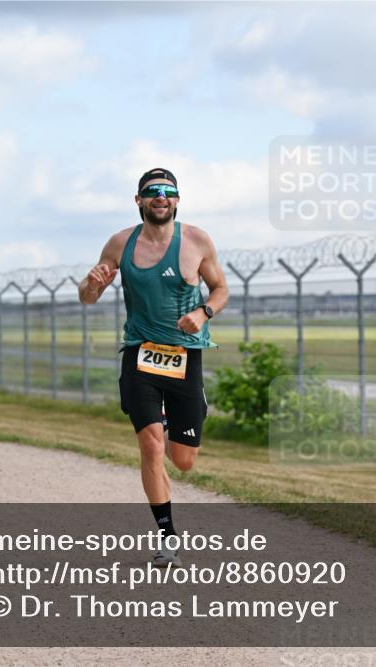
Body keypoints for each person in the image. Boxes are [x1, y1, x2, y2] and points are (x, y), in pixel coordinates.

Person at [78, 167, 228, 566]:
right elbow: (88, 297)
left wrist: (204, 312)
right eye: (152, 191)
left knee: (183, 460)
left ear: (177, 200)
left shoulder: (196, 240)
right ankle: (167, 539)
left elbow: (221, 288)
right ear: (139, 200)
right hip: (140, 352)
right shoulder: (120, 243)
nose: (160, 197)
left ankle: (193, 408)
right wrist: (92, 283)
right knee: (150, 443)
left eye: (167, 191)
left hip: (184, 356)